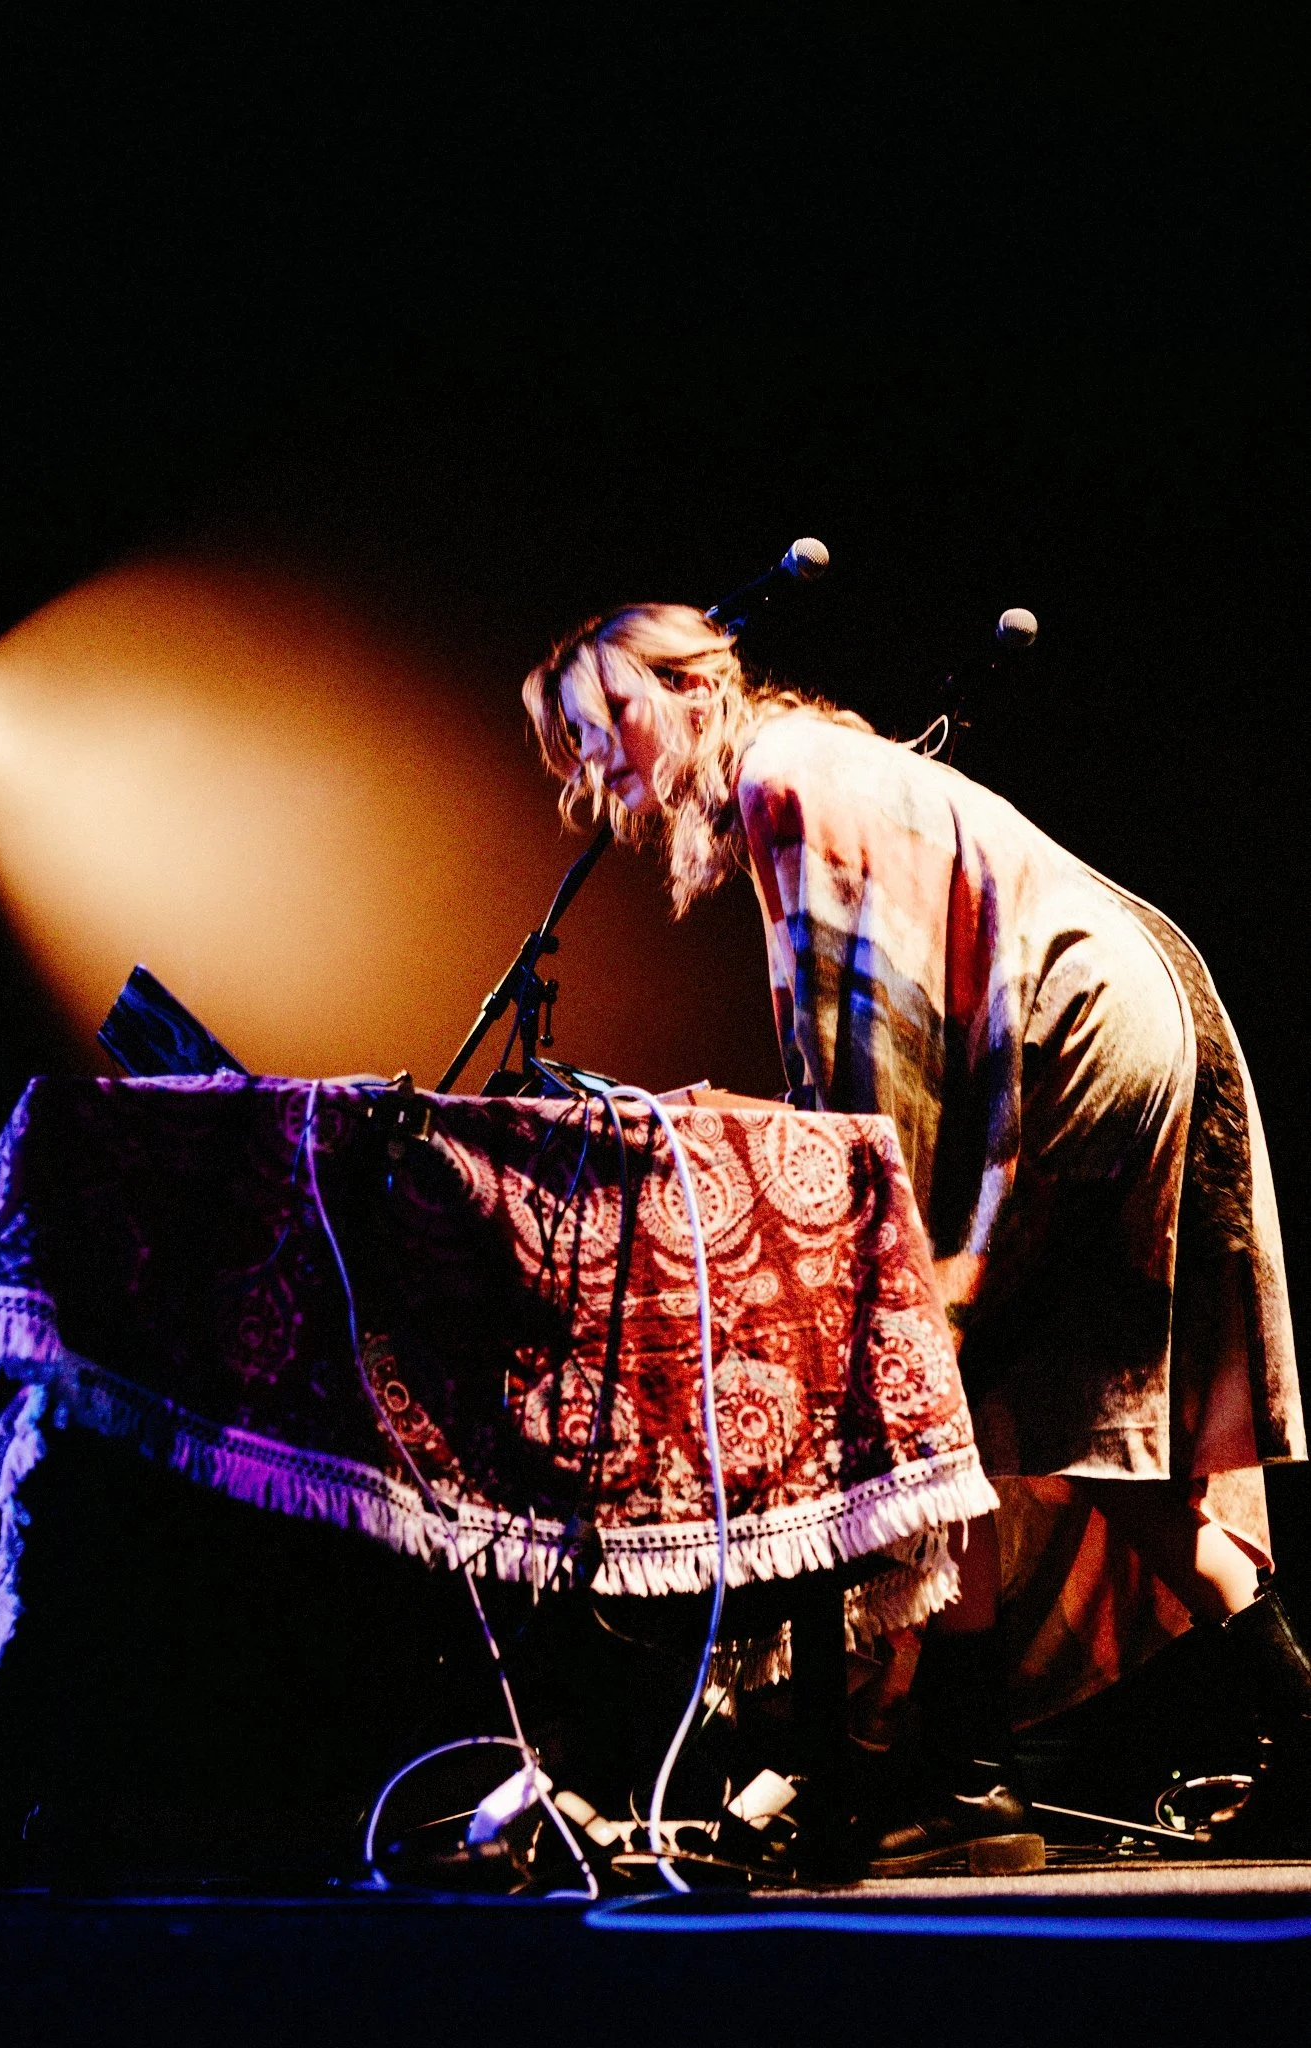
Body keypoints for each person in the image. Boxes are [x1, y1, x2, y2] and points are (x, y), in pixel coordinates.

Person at [523, 601, 1311, 1869]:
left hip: (1073, 1044)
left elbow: (867, 1036)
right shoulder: (811, 768)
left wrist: (860, 1239)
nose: (597, 757)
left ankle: (971, 1780)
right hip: (1127, 1020)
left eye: (611, 714)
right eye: (576, 738)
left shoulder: (784, 778)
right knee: (1074, 1433)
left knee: (938, 1395)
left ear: (696, 684)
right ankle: (1273, 1726)